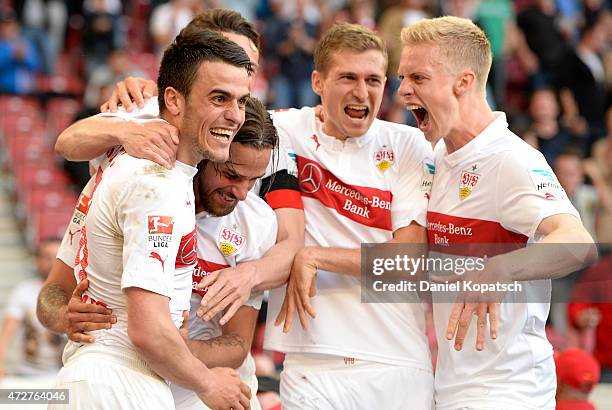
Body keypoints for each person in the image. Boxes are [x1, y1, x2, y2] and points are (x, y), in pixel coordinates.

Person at [55, 8, 305, 330]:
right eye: (224, 55)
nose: (236, 69)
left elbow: (291, 242)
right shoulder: (147, 111)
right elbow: (67, 142)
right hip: (140, 334)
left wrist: (249, 275)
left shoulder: (267, 140)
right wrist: (123, 130)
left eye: (248, 66)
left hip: (200, 334)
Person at [44, 29, 253, 410]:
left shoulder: (155, 171)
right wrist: (208, 382)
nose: (235, 115)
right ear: (171, 99)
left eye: (242, 100)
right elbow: (147, 330)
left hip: (115, 378)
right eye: (219, 98)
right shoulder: (156, 182)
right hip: (118, 379)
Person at [398, 16, 595, 409]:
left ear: (464, 82)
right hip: (454, 386)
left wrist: (498, 269)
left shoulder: (510, 159)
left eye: (417, 78)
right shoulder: (438, 155)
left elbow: (578, 244)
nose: (403, 90)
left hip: (508, 390)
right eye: (402, 77)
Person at [268, 23, 435, 409]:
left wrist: (315, 257)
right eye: (348, 77)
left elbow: (409, 256)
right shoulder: (282, 130)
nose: (362, 92)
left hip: (397, 360)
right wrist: (138, 95)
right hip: (312, 362)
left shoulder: (408, 144)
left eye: (374, 80)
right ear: (317, 81)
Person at [0, 239, 64, 378]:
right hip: (27, 374)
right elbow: (7, 332)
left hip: (63, 374)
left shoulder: (76, 293)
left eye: (58, 258)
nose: (53, 263)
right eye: (48, 257)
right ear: (37, 260)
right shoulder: (23, 291)